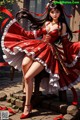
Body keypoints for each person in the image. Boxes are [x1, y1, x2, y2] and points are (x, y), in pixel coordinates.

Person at [0, 0, 80, 119]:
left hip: (48, 52)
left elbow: (66, 44)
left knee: (28, 76)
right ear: (49, 12)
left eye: (57, 12)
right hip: (36, 46)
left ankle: (27, 105)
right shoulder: (46, 23)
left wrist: (77, 46)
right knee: (25, 64)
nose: (54, 14)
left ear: (60, 12)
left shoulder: (61, 25)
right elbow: (34, 34)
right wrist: (19, 31)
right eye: (52, 12)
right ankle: (30, 95)